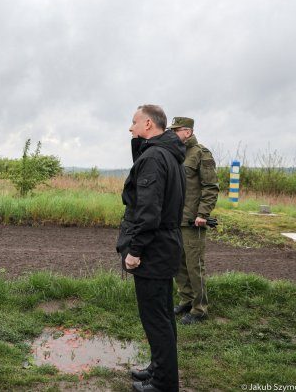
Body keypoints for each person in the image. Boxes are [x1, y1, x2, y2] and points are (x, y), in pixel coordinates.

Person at [116, 105, 185, 392]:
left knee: (156, 319)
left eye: (133, 123)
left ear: (147, 124)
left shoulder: (155, 158)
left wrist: (135, 251)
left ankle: (164, 384)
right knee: (164, 316)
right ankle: (159, 369)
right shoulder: (167, 153)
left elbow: (148, 212)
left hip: (153, 250)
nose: (130, 128)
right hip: (165, 245)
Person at [168, 117, 219, 325]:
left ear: (187, 132)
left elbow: (211, 187)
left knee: (194, 266)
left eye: (175, 130)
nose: (171, 134)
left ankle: (200, 309)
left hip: (193, 221)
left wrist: (203, 214)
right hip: (174, 219)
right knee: (178, 264)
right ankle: (186, 300)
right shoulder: (175, 152)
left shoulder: (201, 153)